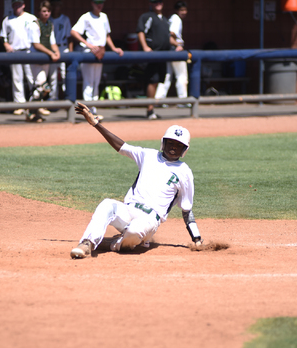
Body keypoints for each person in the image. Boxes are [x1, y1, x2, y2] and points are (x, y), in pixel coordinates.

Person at [70, 102, 203, 259]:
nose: (173, 147)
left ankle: (117, 243)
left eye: (179, 145)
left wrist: (197, 238)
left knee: (134, 230)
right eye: (171, 142)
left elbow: (186, 210)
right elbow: (122, 146)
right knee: (107, 204)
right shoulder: (148, 155)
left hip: (150, 219)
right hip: (128, 210)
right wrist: (96, 124)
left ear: (184, 150)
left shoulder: (185, 172)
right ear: (163, 142)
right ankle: (87, 243)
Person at [71, 0, 124, 121]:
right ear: (92, 3)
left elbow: (107, 36)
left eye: (101, 2)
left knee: (96, 82)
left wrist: (113, 48)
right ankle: (87, 112)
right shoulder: (86, 17)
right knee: (88, 82)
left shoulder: (104, 16)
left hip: (101, 51)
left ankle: (93, 110)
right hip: (89, 52)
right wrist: (88, 44)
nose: (99, 5)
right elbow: (74, 31)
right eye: (97, 2)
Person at [137, 0, 177, 119]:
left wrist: (178, 44)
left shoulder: (165, 20)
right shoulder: (147, 16)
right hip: (152, 55)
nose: (158, 4)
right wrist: (145, 47)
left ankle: (152, 109)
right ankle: (150, 110)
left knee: (159, 81)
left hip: (163, 56)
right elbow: (140, 31)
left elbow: (167, 37)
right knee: (152, 81)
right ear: (151, 4)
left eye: (160, 1)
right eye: (155, 2)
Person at [0, 0, 39, 115]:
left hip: (29, 51)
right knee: (17, 79)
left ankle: (35, 103)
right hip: (15, 52)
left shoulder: (31, 18)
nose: (17, 6)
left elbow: (38, 34)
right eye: (15, 4)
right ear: (12, 6)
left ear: (23, 5)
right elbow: (3, 36)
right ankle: (20, 104)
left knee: (32, 78)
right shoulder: (7, 19)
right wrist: (6, 45)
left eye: (19, 4)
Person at [26, 0, 61, 122]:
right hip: (35, 59)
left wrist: (57, 52)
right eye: (44, 11)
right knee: (41, 86)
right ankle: (31, 111)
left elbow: (53, 43)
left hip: (45, 59)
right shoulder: (34, 24)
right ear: (39, 12)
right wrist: (51, 53)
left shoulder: (50, 25)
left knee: (40, 87)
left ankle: (33, 112)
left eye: (48, 11)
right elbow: (36, 44)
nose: (46, 13)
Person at [155, 1, 189, 100]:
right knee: (181, 76)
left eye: (185, 10)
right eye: (181, 10)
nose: (184, 12)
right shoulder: (176, 18)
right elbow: (171, 33)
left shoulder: (170, 18)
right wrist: (177, 44)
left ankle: (159, 99)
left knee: (167, 75)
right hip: (175, 49)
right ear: (176, 10)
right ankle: (182, 100)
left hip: (168, 49)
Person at [48, 0, 73, 101]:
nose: (55, 8)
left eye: (57, 5)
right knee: (53, 75)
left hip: (63, 47)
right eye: (53, 6)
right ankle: (53, 97)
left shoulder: (65, 19)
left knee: (65, 75)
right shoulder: (48, 20)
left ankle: (67, 98)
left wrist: (71, 51)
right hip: (52, 49)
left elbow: (69, 36)